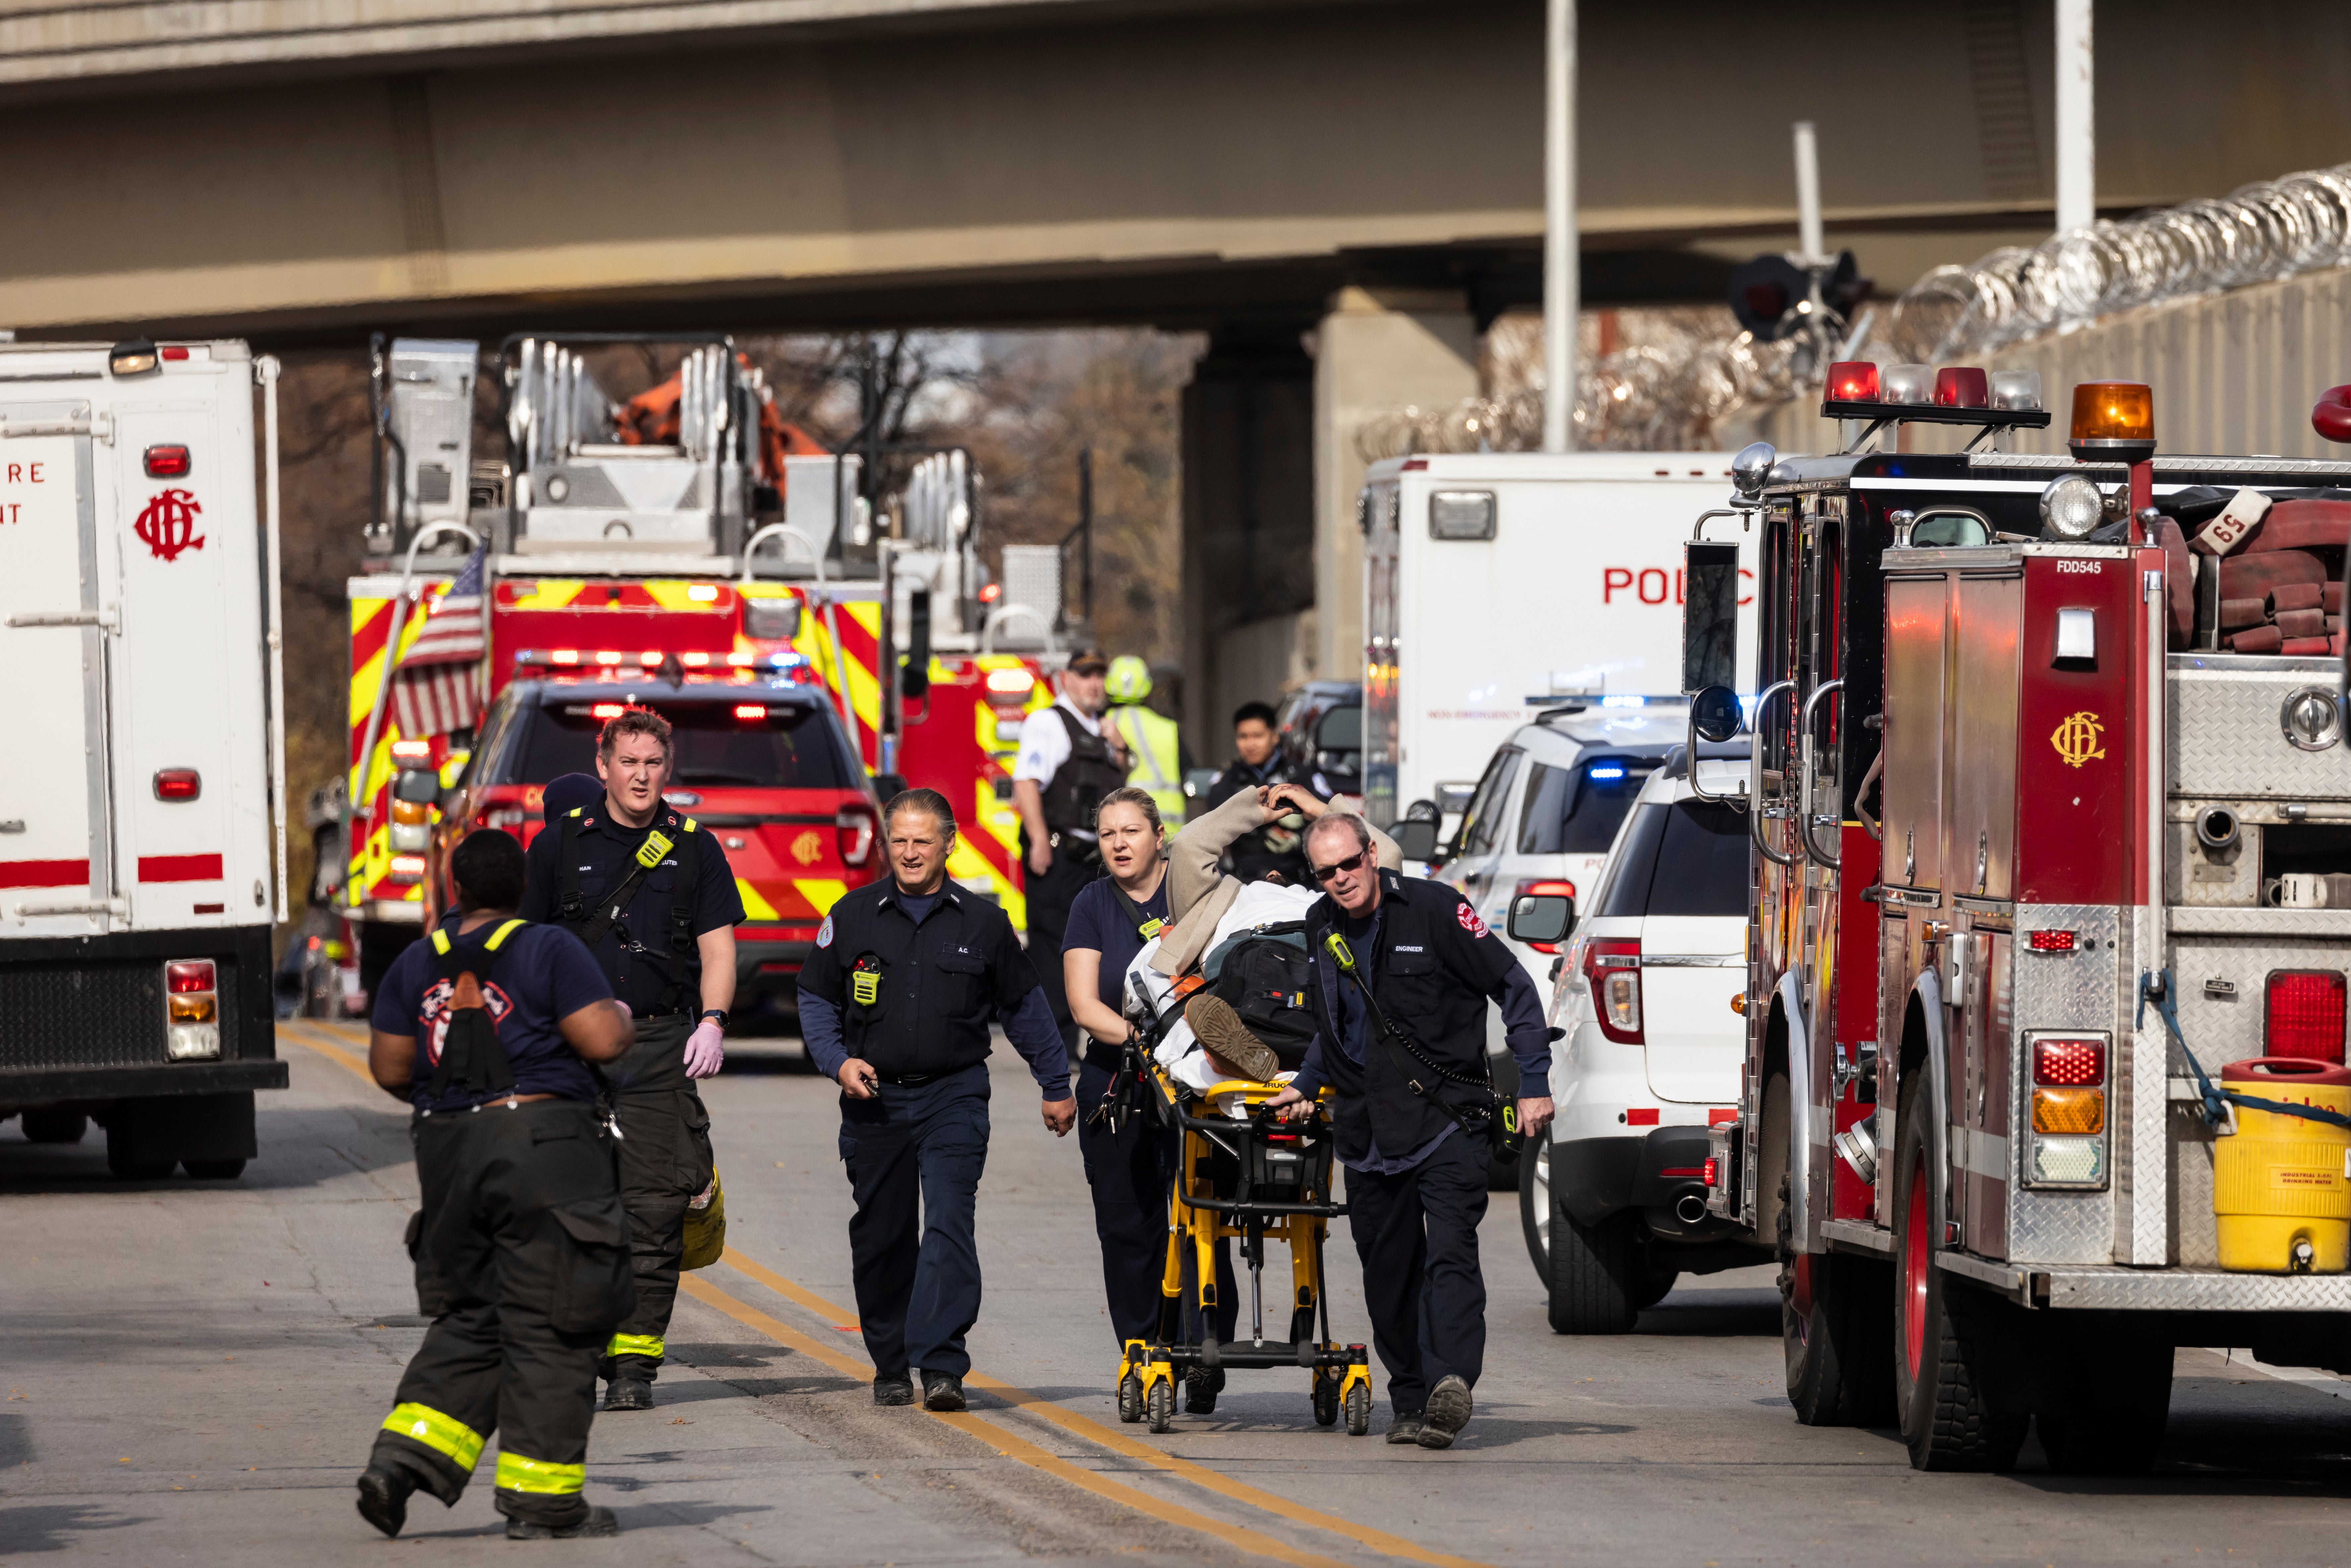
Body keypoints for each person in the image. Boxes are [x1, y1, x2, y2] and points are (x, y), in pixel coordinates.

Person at [356, 829, 636, 1541]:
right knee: (555, 1320)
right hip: (542, 1147)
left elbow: (390, 1069)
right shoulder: (548, 948)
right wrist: (621, 1016)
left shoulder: (415, 962)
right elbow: (602, 1040)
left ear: (455, 889)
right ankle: (542, 1504)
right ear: (522, 890)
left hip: (447, 1153)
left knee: (472, 1316)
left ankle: (400, 1461)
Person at [1266, 812, 1555, 1451]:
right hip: (1366, 1129)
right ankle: (1408, 1397)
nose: (1341, 879)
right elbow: (1337, 1026)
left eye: (1349, 863)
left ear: (1371, 855)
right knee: (1387, 1272)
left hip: (1446, 1119)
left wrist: (1533, 1080)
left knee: (1450, 1253)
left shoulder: (1436, 910)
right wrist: (1306, 1084)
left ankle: (1450, 1381)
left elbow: (1512, 986)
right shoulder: (1319, 925)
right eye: (1326, 872)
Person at [797, 788, 1077, 1412]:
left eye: (922, 841)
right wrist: (837, 1061)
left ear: (949, 844)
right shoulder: (852, 915)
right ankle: (891, 1361)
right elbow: (815, 997)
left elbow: (1025, 1007)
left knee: (949, 1222)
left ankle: (943, 1363)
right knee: (883, 1236)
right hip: (874, 1101)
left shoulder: (983, 922)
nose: (909, 852)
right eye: (899, 840)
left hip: (954, 1094)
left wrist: (1055, 1084)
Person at [518, 707, 744, 1412]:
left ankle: (634, 1367)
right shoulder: (557, 845)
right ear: (603, 766)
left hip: (658, 1046)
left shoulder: (696, 848)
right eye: (628, 762)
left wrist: (711, 1022)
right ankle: (581, 1343)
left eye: (652, 763)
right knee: (569, 1205)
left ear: (666, 768)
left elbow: (718, 950)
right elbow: (522, 949)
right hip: (572, 1049)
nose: (641, 776)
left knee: (653, 1210)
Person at [1061, 786, 1237, 1412]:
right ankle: (1141, 1354)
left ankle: (1203, 1351)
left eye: (1131, 831)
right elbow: (1084, 1004)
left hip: (1199, 1083)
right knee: (1128, 1229)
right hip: (1120, 1081)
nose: (1118, 844)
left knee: (1201, 1222)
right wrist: (1143, 1041)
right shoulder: (1090, 904)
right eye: (1108, 833)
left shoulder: (1193, 891)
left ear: (1160, 837)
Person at [1011, 647, 1131, 1052]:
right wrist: (1039, 841)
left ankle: (1096, 1037)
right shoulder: (1049, 722)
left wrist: (1120, 749)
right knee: (1053, 948)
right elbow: (1026, 782)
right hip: (1060, 853)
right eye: (1085, 675)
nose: (1094, 684)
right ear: (1065, 679)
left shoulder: (1101, 727)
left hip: (1094, 858)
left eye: (1099, 675)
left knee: (1096, 946)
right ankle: (1056, 1044)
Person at [1202, 702, 1303, 884]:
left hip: (1295, 879)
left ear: (1274, 736)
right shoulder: (1227, 780)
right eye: (1243, 737)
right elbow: (1213, 827)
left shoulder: (1300, 775)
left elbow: (1327, 820)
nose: (1250, 744)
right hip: (1245, 881)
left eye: (1258, 736)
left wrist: (1299, 839)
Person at [1102, 656, 1186, 828]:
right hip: (1168, 833)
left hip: (1118, 832)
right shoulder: (1168, 729)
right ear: (1147, 686)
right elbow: (1189, 773)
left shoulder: (1097, 726)